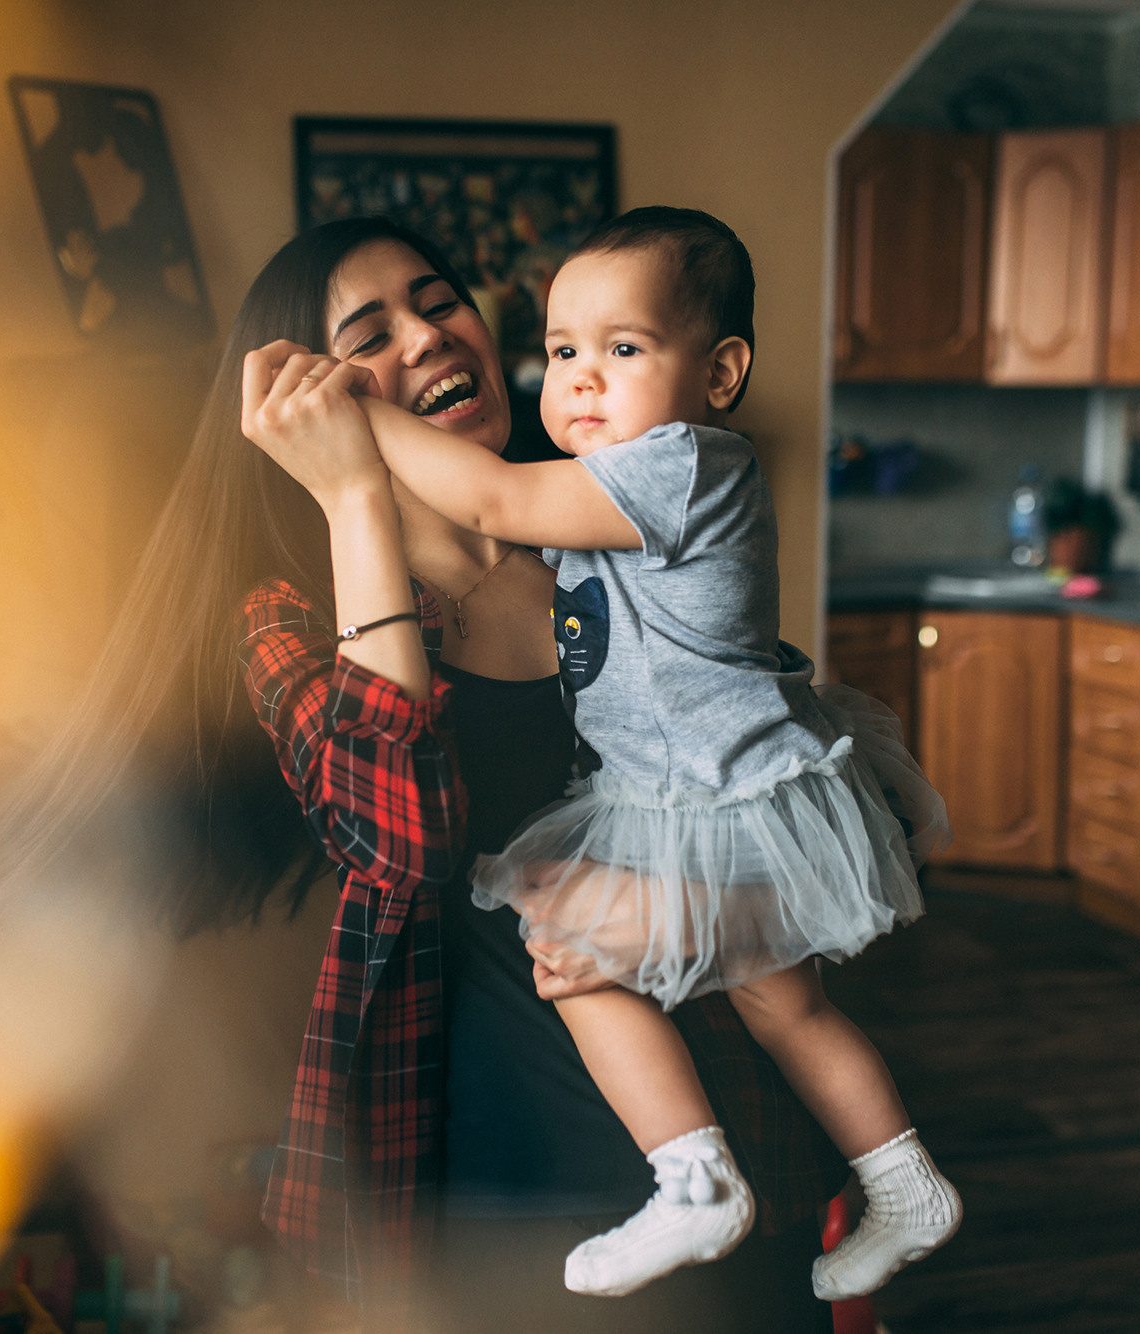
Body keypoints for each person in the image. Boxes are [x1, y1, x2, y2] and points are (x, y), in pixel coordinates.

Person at [146, 216, 839, 1332]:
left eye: (438, 301)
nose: (427, 337)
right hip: (495, 1163)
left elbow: (766, 789)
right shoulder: (291, 618)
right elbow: (403, 846)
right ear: (316, 398)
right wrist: (357, 500)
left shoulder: (599, 531)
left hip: (719, 1105)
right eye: (370, 333)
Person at [348, 207, 963, 1301]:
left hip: (715, 793)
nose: (581, 380)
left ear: (718, 370)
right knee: (788, 1010)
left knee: (564, 939)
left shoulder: (679, 465)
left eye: (622, 350)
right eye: (564, 351)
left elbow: (493, 495)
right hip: (704, 781)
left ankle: (693, 1178)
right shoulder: (617, 474)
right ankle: (900, 1178)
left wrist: (355, 417)